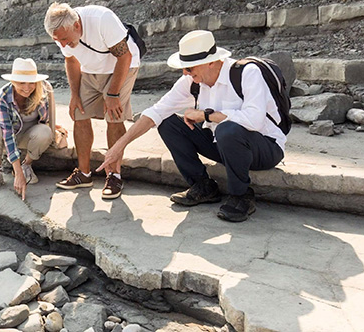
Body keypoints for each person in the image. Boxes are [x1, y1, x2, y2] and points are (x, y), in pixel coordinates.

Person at [97, 30, 285, 222]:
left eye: (189, 67)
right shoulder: (191, 81)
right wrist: (119, 146)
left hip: (264, 149)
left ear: (211, 61)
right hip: (222, 145)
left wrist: (206, 116)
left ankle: (240, 195)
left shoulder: (247, 73)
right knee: (168, 122)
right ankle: (203, 186)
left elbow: (254, 120)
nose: (185, 72)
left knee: (227, 129)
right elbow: (156, 111)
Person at [44, 2, 140, 200]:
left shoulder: (102, 19)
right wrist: (74, 95)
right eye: (57, 40)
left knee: (113, 117)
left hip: (120, 68)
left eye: (64, 39)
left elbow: (125, 56)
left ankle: (114, 175)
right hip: (90, 69)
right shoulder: (59, 30)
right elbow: (70, 60)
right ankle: (84, 173)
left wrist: (112, 94)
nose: (61, 44)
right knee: (80, 114)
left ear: (77, 26)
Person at [0, 58, 66, 200]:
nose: (27, 88)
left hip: (29, 135)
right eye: (22, 83)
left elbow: (45, 119)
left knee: (45, 132)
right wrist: (17, 173)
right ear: (13, 82)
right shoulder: (2, 97)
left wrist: (54, 126)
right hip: (6, 136)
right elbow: (7, 134)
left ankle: (27, 165)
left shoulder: (44, 89)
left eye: (31, 83)